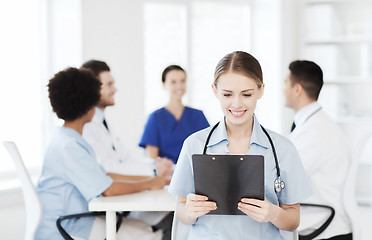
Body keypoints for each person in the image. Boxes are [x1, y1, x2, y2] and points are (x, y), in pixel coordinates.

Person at [168, 51, 312, 239]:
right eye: (227, 94)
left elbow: (293, 218)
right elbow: (181, 210)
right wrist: (190, 211)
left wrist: (274, 214)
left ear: (261, 90)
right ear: (214, 90)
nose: (236, 104)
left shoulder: (282, 149)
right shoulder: (194, 145)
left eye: (246, 94)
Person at [35, 67, 165, 240]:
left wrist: (153, 180)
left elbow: (105, 176)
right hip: (68, 226)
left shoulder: (67, 138)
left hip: (71, 219)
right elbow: (108, 189)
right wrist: (149, 184)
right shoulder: (70, 145)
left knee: (143, 227)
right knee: (149, 234)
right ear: (89, 105)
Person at [81, 60, 173, 240]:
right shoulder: (87, 127)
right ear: (92, 88)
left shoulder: (102, 122)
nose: (115, 89)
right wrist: (153, 172)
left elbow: (126, 157)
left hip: (121, 203)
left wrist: (154, 164)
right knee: (171, 219)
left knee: (173, 215)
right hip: (106, 210)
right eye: (109, 84)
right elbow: (109, 169)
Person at [284, 60, 353, 239]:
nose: (283, 90)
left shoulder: (315, 132)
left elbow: (287, 178)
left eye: (286, 83)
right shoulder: (314, 124)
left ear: (297, 89)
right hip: (322, 224)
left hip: (326, 230)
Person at [139, 65, 210, 165]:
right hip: (167, 176)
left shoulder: (198, 116)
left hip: (195, 173)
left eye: (182, 81)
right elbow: (152, 161)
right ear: (164, 84)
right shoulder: (155, 118)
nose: (179, 86)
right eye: (173, 82)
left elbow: (209, 150)